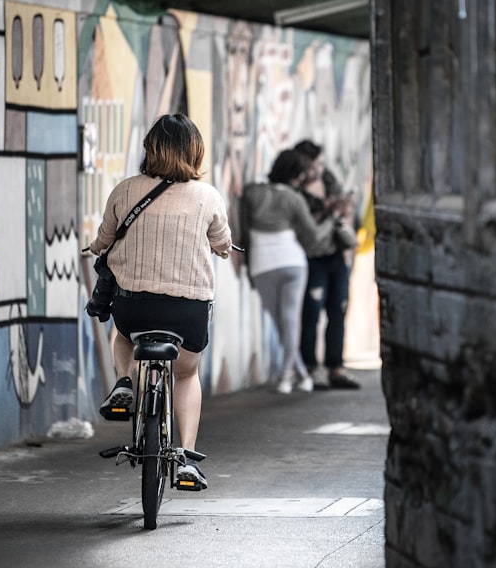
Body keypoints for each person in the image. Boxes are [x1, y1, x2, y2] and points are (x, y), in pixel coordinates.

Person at [88, 113, 232, 491]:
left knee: (122, 333)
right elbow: (222, 242)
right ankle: (186, 455)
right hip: (188, 311)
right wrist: (221, 248)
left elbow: (104, 238)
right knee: (185, 374)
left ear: (150, 149)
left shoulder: (124, 190)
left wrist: (97, 248)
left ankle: (124, 382)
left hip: (135, 306)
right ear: (195, 152)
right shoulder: (208, 197)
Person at [241, 149, 338, 394]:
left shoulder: (252, 193)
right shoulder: (294, 199)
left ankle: (290, 374)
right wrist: (332, 220)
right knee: (290, 321)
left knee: (281, 323)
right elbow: (314, 236)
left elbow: (244, 235)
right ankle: (296, 374)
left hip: (262, 265)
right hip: (293, 263)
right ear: (296, 177)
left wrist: (248, 269)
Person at [293, 140, 360, 390]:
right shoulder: (296, 191)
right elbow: (306, 227)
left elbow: (347, 212)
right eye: (313, 165)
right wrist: (329, 211)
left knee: (338, 310)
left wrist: (344, 214)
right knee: (311, 313)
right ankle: (311, 368)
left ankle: (336, 367)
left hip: (337, 255)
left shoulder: (330, 181)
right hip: (312, 257)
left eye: (319, 163)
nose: (318, 169)